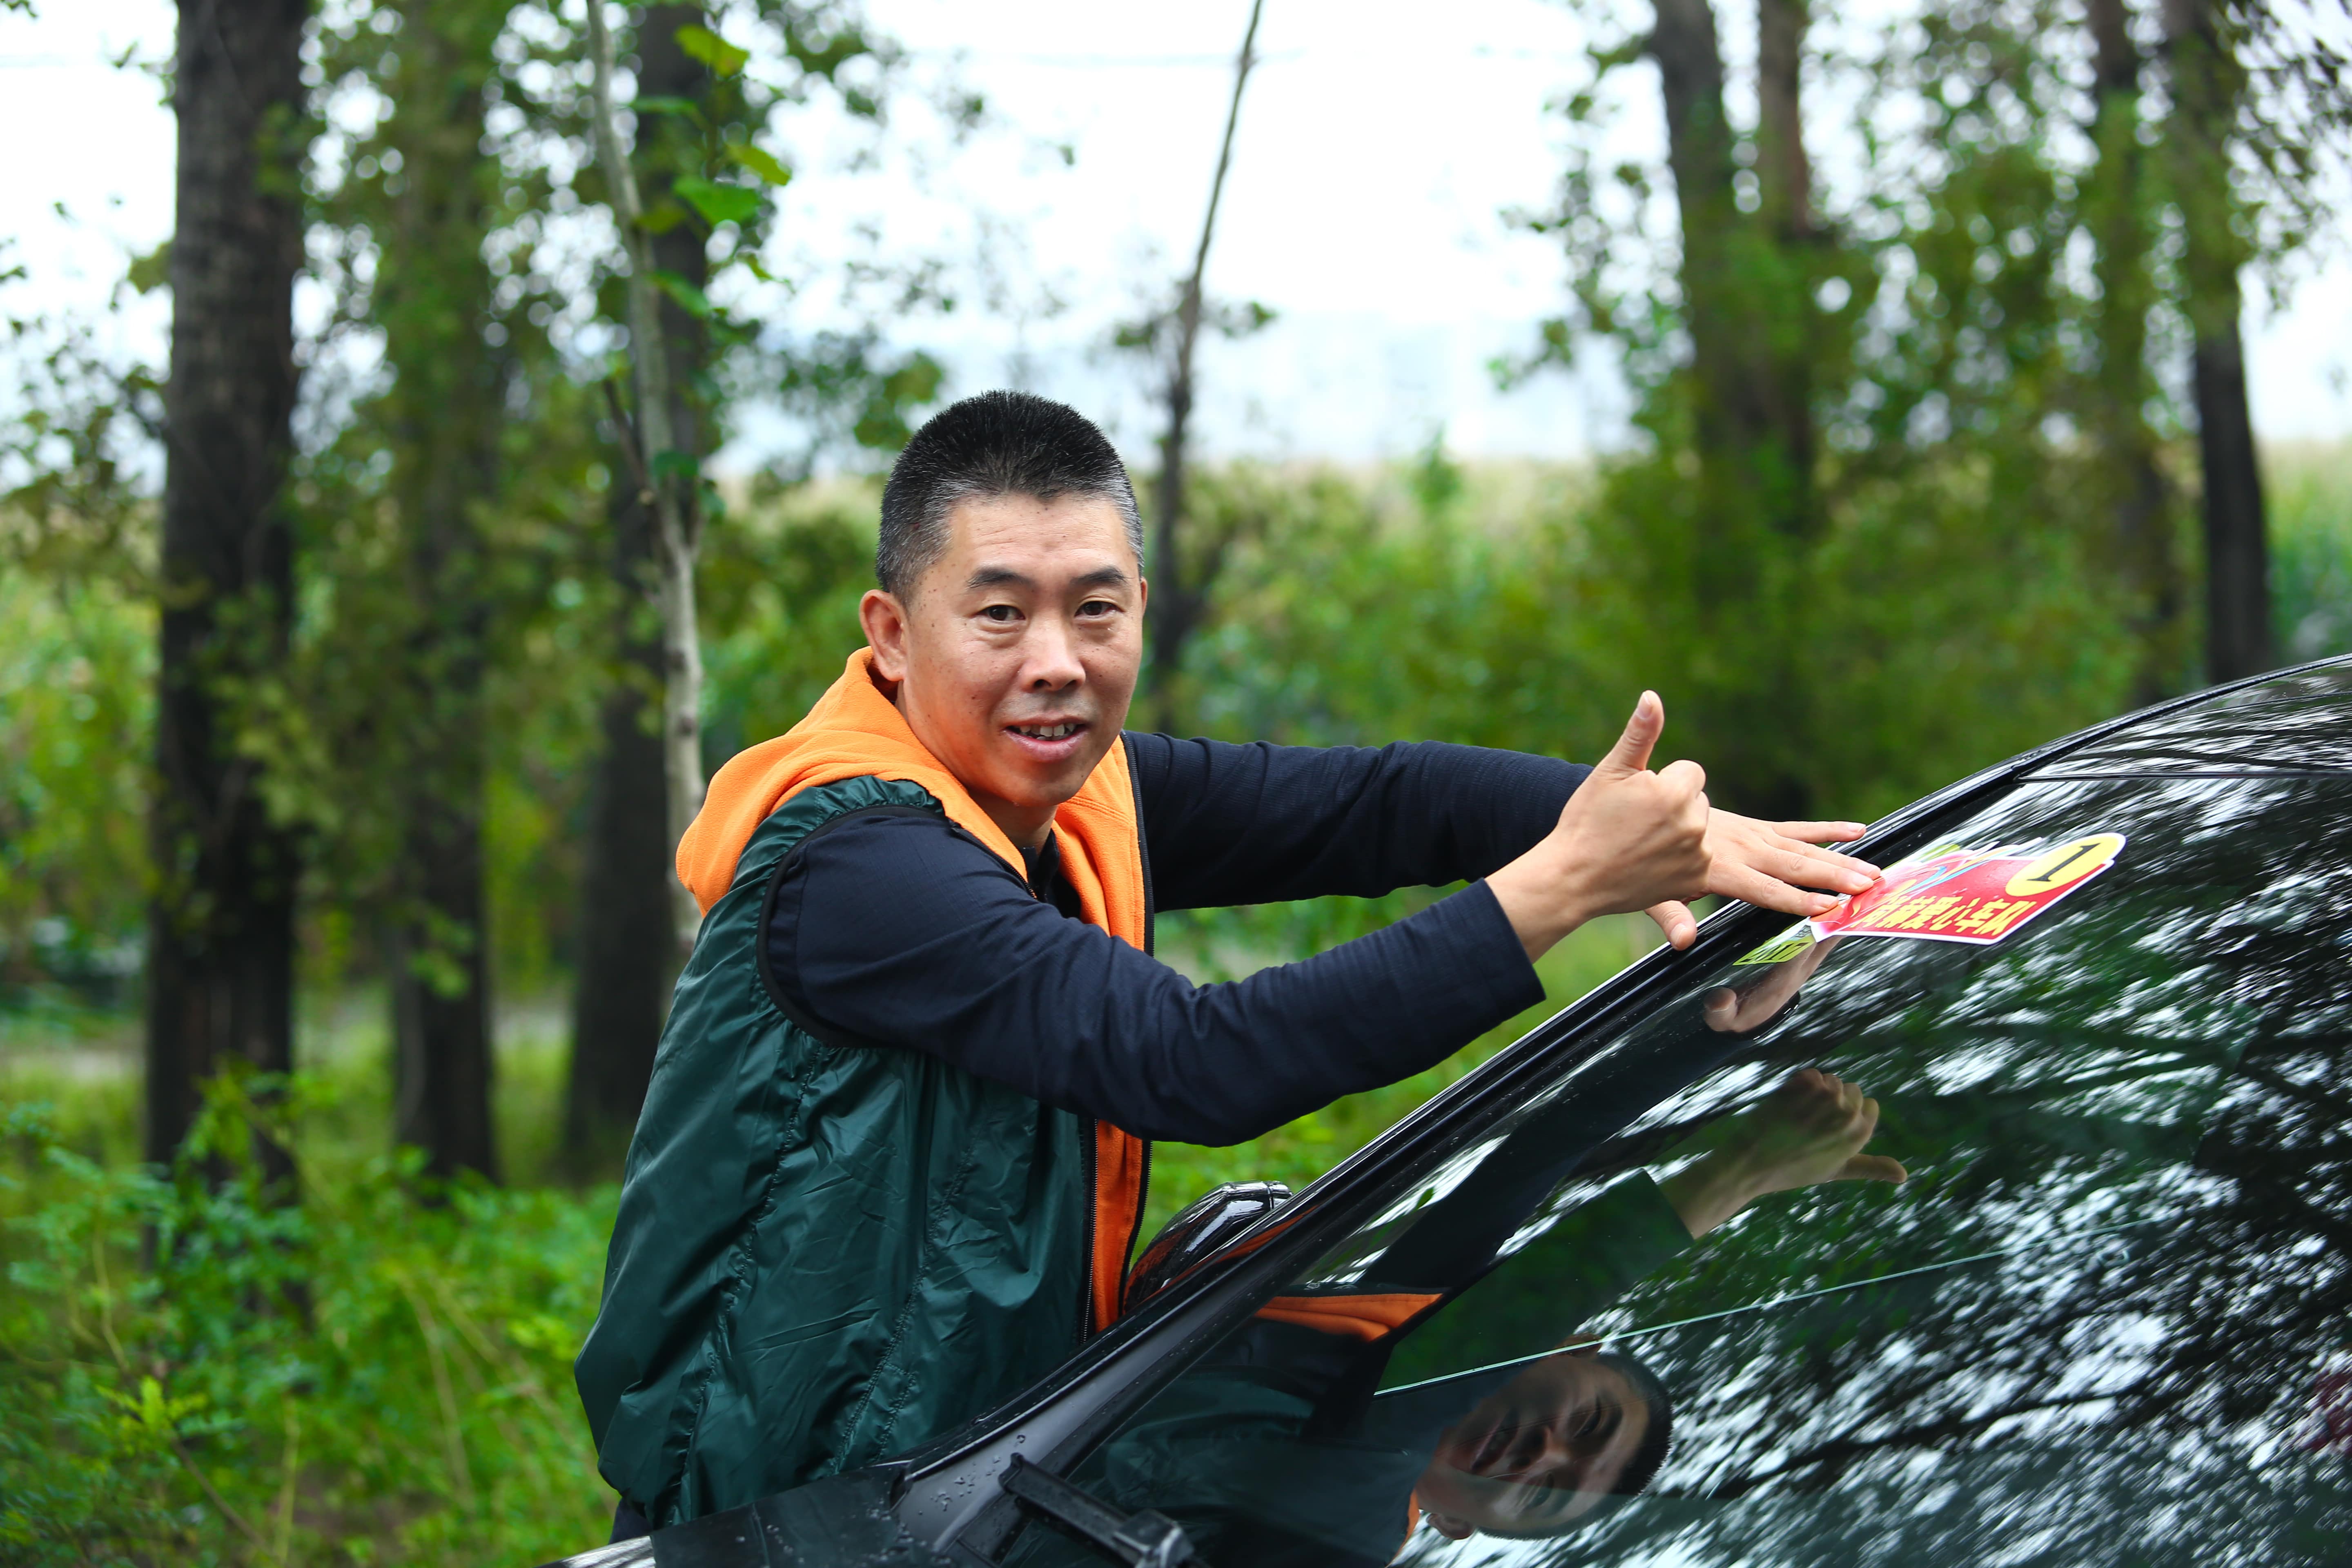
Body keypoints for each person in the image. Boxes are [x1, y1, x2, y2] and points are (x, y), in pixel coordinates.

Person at [573, 391, 1883, 1534]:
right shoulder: (866, 869)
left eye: (1094, 611)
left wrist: (1665, 832)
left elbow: (1380, 806)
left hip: (973, 1479)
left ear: (1139, 610)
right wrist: (1564, 886)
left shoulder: (1078, 793)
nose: (1055, 665)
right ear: (895, 634)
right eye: (999, 615)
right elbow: (1193, 1061)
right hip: (786, 1519)